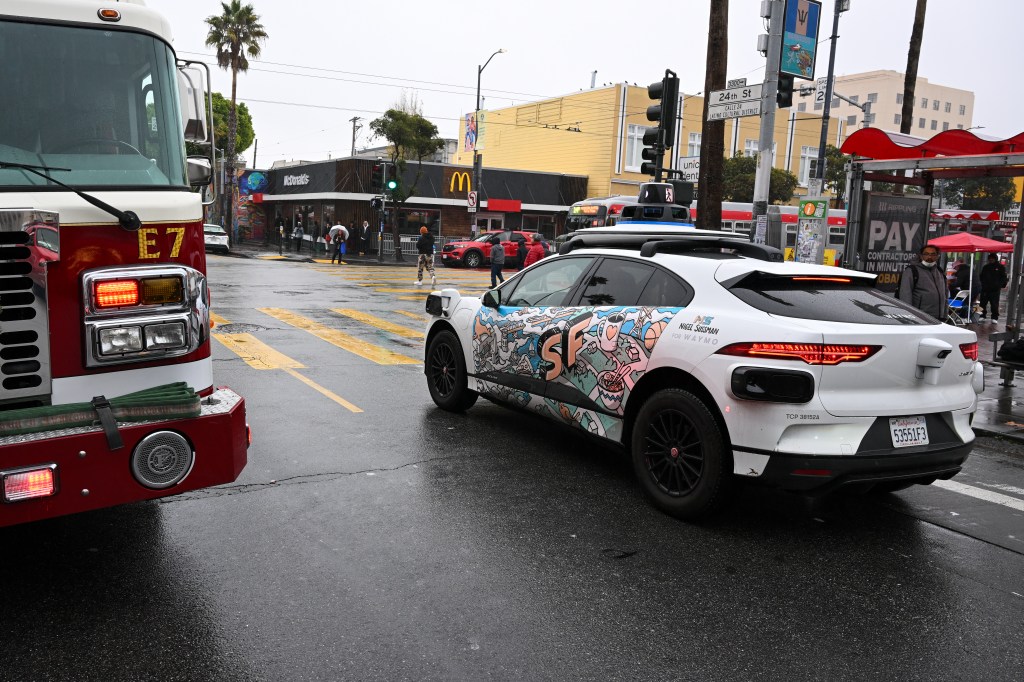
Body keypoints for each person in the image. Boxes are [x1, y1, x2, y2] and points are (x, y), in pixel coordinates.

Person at [896, 245, 948, 320]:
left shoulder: (940, 272)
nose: (929, 257)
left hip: (939, 318)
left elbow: (945, 295)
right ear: (921, 256)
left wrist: (944, 315)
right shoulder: (912, 271)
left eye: (933, 254)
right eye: (926, 254)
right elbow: (905, 296)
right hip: (920, 317)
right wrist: (909, 316)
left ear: (937, 256)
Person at [979, 254, 1008, 322]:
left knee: (994, 304)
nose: (991, 260)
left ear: (995, 259)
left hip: (995, 290)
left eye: (992, 258)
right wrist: (983, 284)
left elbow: (1004, 278)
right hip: (985, 289)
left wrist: (999, 286)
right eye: (990, 258)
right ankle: (981, 315)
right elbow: (981, 276)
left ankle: (994, 317)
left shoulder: (1001, 267)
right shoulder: (986, 267)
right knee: (982, 303)